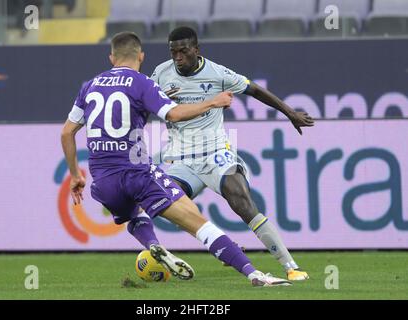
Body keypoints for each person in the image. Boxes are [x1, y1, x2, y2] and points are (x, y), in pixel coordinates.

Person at [61, 31, 291, 287]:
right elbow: (174, 115)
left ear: (111, 57)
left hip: (103, 181)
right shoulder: (141, 83)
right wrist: (212, 102)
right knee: (199, 224)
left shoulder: (89, 86)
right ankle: (255, 274)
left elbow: (67, 132)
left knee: (136, 214)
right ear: (141, 56)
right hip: (137, 171)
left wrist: (75, 175)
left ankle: (153, 246)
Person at [151, 27, 315, 281]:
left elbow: (255, 90)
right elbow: (144, 103)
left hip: (216, 154)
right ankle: (226, 247)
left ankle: (290, 266)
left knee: (241, 200)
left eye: (183, 51)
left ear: (196, 49)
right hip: (182, 160)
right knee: (167, 205)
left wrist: (290, 113)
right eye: (173, 52)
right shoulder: (161, 73)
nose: (178, 57)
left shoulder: (218, 73)